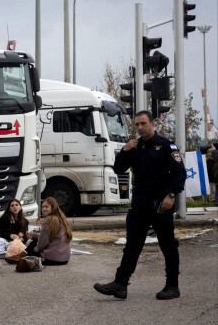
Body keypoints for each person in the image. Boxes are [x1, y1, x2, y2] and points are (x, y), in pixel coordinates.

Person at [94, 110, 186, 300]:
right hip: (140, 204)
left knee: (168, 245)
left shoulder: (166, 146)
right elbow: (119, 168)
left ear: (153, 124)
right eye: (137, 125)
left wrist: (171, 195)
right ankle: (120, 284)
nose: (140, 128)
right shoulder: (134, 147)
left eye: (143, 124)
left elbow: (179, 173)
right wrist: (124, 150)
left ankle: (172, 286)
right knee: (132, 245)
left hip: (160, 204)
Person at [25, 197, 72, 265]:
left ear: (53, 208)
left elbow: (43, 241)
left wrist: (36, 249)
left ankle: (22, 256)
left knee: (33, 244)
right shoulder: (62, 219)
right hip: (65, 259)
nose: (44, 209)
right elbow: (50, 236)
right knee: (35, 240)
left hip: (51, 259)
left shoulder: (49, 220)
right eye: (43, 207)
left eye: (46, 207)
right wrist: (34, 235)